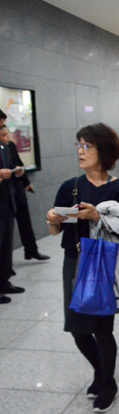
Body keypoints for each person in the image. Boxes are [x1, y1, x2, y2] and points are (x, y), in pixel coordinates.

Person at [46, 123, 119, 412]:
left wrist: (97, 216)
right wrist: (52, 220)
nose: (81, 152)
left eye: (88, 146)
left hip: (103, 262)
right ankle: (100, 371)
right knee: (76, 328)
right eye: (78, 146)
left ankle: (108, 383)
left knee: (101, 328)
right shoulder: (70, 187)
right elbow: (55, 232)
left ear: (103, 151)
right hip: (74, 260)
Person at [0, 127, 50, 261]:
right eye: (3, 134)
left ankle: (31, 250)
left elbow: (18, 164)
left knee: (25, 222)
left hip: (16, 190)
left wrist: (26, 182)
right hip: (4, 193)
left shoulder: (9, 146)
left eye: (6, 133)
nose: (7, 137)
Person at [0, 110, 25, 304]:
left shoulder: (4, 146)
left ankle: (4, 281)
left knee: (6, 243)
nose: (3, 130)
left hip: (6, 201)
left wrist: (16, 173)